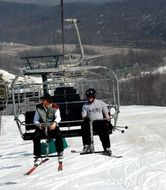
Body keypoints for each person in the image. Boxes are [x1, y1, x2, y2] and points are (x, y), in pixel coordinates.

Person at [33, 93, 64, 165]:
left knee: (58, 134)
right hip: (43, 127)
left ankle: (60, 152)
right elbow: (35, 119)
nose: (42, 101)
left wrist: (55, 123)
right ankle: (37, 155)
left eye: (43, 100)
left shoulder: (55, 107)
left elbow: (58, 117)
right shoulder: (39, 108)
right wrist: (38, 124)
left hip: (52, 126)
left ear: (48, 101)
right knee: (35, 136)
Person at [81, 88, 112, 155]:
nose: (89, 98)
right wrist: (85, 116)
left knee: (104, 130)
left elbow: (106, 114)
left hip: (100, 122)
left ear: (94, 96)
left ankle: (107, 147)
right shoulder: (85, 105)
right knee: (84, 127)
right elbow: (83, 116)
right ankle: (87, 145)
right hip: (90, 123)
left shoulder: (100, 103)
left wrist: (108, 122)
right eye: (88, 97)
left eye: (90, 97)